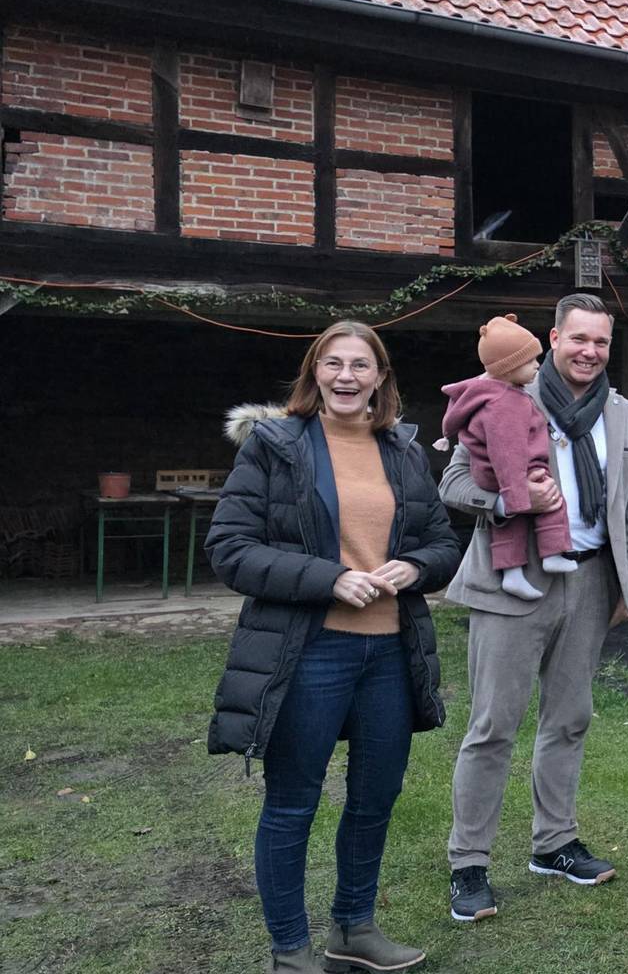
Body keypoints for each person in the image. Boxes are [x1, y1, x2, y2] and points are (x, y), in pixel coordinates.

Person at [206, 321, 463, 974]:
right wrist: (329, 579)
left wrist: (416, 568)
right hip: (308, 654)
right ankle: (290, 953)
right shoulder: (275, 446)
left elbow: (441, 542)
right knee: (292, 803)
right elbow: (231, 550)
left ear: (381, 378)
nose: (346, 377)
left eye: (360, 365)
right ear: (314, 372)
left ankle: (353, 929)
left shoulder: (402, 451)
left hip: (388, 659)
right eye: (333, 363)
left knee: (375, 799)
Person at [439, 293, 628, 923]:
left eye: (602, 342)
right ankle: (469, 863)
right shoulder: (502, 396)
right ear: (553, 339)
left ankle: (553, 843)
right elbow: (452, 484)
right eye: (578, 338)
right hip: (513, 581)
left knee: (570, 720)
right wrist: (512, 501)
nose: (590, 351)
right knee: (492, 727)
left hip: (589, 583)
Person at [436, 313, 577, 601]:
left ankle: (512, 572)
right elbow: (507, 453)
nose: (537, 365)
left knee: (511, 522)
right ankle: (552, 551)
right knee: (551, 499)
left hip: (496, 473)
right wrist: (514, 498)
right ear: (509, 367)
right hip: (509, 473)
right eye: (529, 361)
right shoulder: (506, 404)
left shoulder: (496, 396)